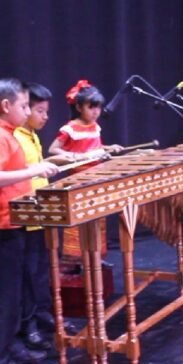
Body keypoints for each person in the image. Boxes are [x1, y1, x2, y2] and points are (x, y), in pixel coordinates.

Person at [0, 78, 59, 364]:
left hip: (12, 223)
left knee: (16, 296)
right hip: (0, 227)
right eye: (23, 106)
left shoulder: (7, 134)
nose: (27, 111)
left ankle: (12, 348)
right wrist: (34, 170)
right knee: (5, 301)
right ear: (6, 106)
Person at [48, 79, 122, 261]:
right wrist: (73, 156)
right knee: (79, 216)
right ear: (79, 107)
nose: (96, 112)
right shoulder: (70, 128)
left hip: (97, 177)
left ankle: (95, 253)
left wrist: (109, 147)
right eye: (91, 107)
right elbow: (52, 149)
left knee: (97, 215)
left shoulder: (96, 127)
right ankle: (76, 257)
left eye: (98, 107)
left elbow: (97, 147)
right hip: (79, 178)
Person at [13, 82, 56, 351]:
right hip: (25, 214)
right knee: (28, 274)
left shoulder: (32, 135)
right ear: (25, 108)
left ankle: (42, 315)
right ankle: (28, 324)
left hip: (41, 211)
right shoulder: (15, 137)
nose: (45, 116)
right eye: (39, 110)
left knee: (41, 270)